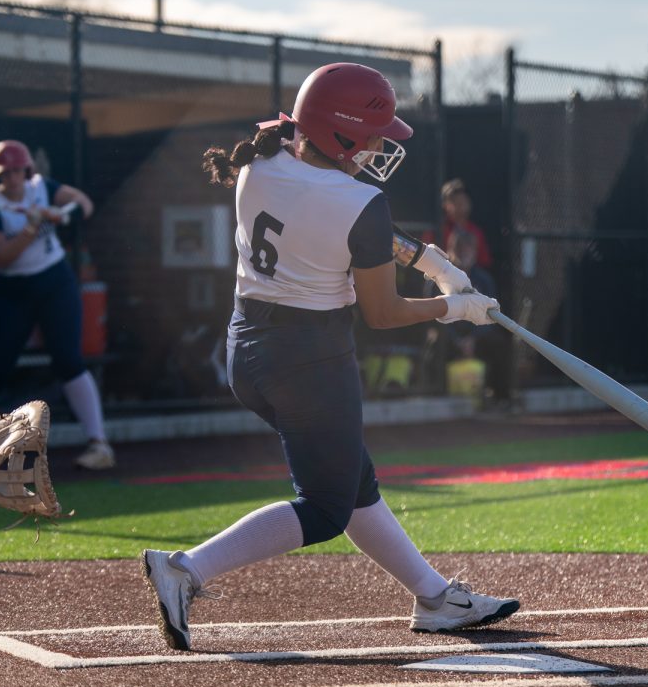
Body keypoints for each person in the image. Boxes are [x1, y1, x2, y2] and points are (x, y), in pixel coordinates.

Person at [140, 62, 518, 651]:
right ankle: (185, 569)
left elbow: (334, 217)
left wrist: (432, 263)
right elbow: (384, 312)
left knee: (351, 480)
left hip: (248, 349)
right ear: (341, 133)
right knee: (326, 508)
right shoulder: (360, 199)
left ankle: (435, 597)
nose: (378, 145)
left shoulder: (261, 163)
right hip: (310, 360)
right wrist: (454, 309)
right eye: (371, 134)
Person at [0, 140, 114, 470]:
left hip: (54, 281)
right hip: (11, 289)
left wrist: (62, 213)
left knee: (69, 361)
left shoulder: (42, 188)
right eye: (5, 173)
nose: (13, 178)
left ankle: (99, 444)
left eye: (17, 171)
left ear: (27, 170)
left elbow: (83, 203)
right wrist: (32, 228)